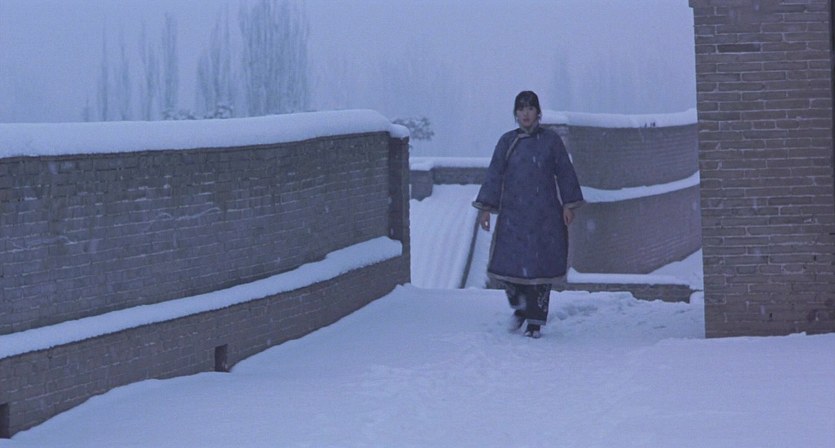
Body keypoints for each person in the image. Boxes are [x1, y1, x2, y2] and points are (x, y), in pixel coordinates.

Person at [472, 90, 584, 338]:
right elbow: (494, 174)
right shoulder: (507, 142)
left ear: (538, 113)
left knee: (541, 269)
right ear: (516, 113)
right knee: (509, 266)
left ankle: (535, 321)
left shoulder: (551, 141)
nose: (526, 114)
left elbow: (565, 172)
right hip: (514, 216)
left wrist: (568, 204)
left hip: (545, 216)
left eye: (530, 108)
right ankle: (520, 307)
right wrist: (486, 209)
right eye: (521, 109)